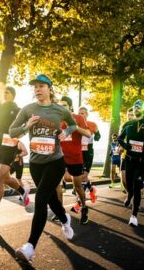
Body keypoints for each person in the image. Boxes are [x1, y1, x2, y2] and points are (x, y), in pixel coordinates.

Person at [10, 74, 76, 263]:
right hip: (36, 164)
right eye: (35, 87)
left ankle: (30, 247)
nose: (37, 90)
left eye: (41, 86)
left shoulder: (59, 109)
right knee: (51, 199)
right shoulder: (28, 109)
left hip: (55, 161)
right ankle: (65, 219)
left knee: (40, 199)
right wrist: (26, 126)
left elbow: (73, 124)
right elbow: (12, 131)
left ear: (49, 88)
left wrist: (66, 132)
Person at [0, 86, 30, 225]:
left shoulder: (18, 110)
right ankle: (22, 190)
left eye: (6, 92)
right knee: (6, 178)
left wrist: (20, 133)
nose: (3, 94)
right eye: (3, 93)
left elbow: (25, 127)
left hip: (10, 147)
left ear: (12, 96)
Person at [57, 96, 92, 225]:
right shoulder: (56, 119)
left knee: (77, 186)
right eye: (60, 105)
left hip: (75, 157)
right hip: (59, 157)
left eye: (64, 105)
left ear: (70, 107)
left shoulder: (78, 118)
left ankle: (84, 207)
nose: (61, 107)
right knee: (57, 185)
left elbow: (88, 134)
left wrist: (74, 126)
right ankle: (60, 211)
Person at [118, 99, 144, 227]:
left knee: (137, 186)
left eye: (139, 107)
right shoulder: (128, 124)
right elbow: (119, 138)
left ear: (143, 110)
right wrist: (125, 145)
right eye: (135, 107)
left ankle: (134, 215)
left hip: (142, 161)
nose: (137, 109)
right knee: (129, 184)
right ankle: (130, 193)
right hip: (130, 160)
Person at [78, 107, 100, 202]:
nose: (82, 115)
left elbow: (98, 135)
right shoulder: (75, 125)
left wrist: (97, 137)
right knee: (82, 176)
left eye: (83, 113)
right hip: (78, 153)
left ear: (87, 114)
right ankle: (91, 190)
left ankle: (79, 201)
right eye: (80, 113)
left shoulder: (92, 124)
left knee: (82, 176)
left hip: (88, 153)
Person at [120, 107, 135, 192]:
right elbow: (121, 138)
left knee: (133, 179)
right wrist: (120, 146)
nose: (130, 117)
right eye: (128, 115)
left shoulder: (139, 125)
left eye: (132, 115)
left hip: (135, 156)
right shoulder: (125, 125)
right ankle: (130, 193)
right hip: (125, 155)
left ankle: (132, 195)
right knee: (124, 179)